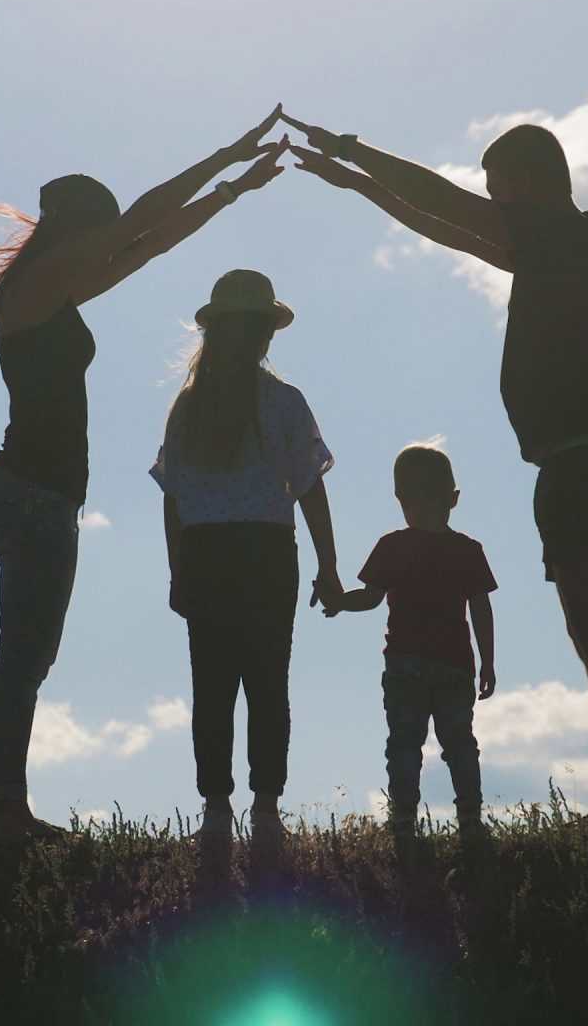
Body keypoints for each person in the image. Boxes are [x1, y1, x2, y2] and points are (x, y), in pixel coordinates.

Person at [284, 114, 588, 825]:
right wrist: (358, 185)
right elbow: (446, 225)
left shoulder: (560, 236)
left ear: (526, 182)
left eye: (500, 190)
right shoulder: (558, 247)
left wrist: (352, 150)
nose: (494, 203)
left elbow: (444, 201)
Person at [0, 109, 288, 843]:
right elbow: (142, 222)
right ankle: (6, 812)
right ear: (76, 229)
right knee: (23, 655)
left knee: (29, 654)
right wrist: (227, 153)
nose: (105, 243)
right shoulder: (36, 287)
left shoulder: (52, 290)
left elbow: (145, 245)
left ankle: (8, 808)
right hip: (31, 494)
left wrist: (232, 189)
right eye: (98, 230)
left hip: (41, 494)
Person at [152, 268, 343, 862]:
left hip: (210, 553)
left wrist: (178, 569)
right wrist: (328, 565)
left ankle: (219, 809)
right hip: (263, 552)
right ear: (262, 333)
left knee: (212, 685)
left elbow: (174, 501)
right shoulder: (283, 402)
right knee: (266, 682)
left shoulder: (189, 406)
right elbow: (310, 487)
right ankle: (262, 809)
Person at [326, 443, 497, 844]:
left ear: (400, 498)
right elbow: (481, 609)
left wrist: (338, 602)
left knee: (404, 743)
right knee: (460, 744)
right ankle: (469, 820)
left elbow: (369, 598)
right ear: (453, 499)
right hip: (455, 664)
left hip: (404, 664)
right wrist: (488, 662)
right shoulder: (467, 551)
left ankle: (403, 821)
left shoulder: (393, 546)